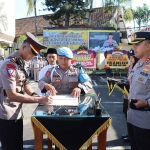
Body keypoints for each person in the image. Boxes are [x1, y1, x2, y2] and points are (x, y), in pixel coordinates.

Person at [0, 32, 53, 150]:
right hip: (6, 114)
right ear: (23, 47)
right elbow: (12, 95)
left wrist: (34, 94)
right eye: (32, 53)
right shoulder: (10, 65)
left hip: (17, 113)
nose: (33, 56)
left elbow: (26, 84)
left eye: (35, 54)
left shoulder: (22, 63)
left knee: (18, 145)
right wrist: (39, 99)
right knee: (10, 147)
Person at [127, 32, 150, 150]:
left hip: (146, 122)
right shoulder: (138, 64)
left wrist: (148, 102)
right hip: (132, 118)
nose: (134, 47)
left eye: (138, 44)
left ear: (148, 46)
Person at [122, 49, 139, 141]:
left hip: (133, 96)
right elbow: (129, 79)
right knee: (126, 112)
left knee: (132, 116)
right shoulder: (131, 67)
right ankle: (129, 133)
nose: (131, 59)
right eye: (130, 57)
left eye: (133, 57)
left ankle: (132, 134)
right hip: (126, 95)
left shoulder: (140, 67)